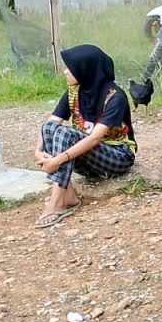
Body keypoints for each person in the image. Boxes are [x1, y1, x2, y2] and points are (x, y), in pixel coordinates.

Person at [33, 45, 137, 228]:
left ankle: (56, 202)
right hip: (87, 157)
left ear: (85, 69)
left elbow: (95, 138)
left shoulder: (115, 97)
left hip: (117, 155)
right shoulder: (74, 92)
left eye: (69, 68)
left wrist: (57, 161)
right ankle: (69, 195)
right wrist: (38, 151)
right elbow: (50, 123)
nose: (65, 72)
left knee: (66, 133)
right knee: (50, 128)